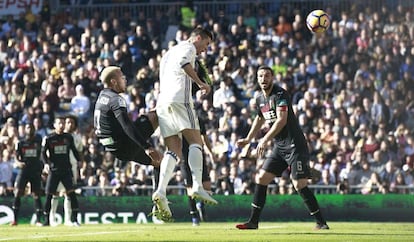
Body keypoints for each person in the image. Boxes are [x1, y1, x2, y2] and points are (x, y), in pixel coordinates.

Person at [235, 66, 329, 230]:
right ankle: (253, 222)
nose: (264, 79)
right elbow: (259, 119)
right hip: (280, 147)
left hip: (295, 145)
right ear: (257, 79)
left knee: (298, 184)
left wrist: (264, 139)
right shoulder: (259, 99)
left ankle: (321, 223)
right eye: (261, 76)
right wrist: (249, 139)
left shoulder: (280, 94)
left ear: (272, 78)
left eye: (267, 76)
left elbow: (281, 120)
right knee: (261, 178)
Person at [152, 26, 217, 222]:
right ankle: (197, 184)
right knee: (196, 141)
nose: (204, 50)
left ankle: (161, 190)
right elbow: (184, 65)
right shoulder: (188, 49)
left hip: (163, 102)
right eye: (205, 44)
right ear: (198, 38)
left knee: (174, 150)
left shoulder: (168, 52)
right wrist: (201, 83)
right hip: (180, 99)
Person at [93, 66, 161, 168]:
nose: (125, 80)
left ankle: (158, 181)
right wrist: (147, 147)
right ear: (114, 81)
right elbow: (126, 126)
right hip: (125, 145)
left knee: (158, 162)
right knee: (156, 114)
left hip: (114, 149)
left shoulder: (102, 96)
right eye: (122, 77)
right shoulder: (115, 99)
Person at [42, 116, 81, 226]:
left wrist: (80, 161)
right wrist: (46, 164)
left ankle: (75, 220)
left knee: (71, 194)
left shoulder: (68, 137)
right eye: (59, 123)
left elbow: (74, 150)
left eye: (63, 123)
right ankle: (47, 220)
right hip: (54, 170)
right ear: (54, 125)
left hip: (66, 170)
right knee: (49, 194)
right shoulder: (49, 138)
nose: (61, 125)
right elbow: (43, 153)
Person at [181, 117, 215, 226]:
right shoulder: (178, 119)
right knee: (190, 188)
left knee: (207, 186)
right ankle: (194, 216)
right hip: (184, 157)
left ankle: (200, 204)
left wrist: (210, 153)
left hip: (198, 154)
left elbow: (204, 137)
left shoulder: (199, 119)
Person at [11, 123, 44, 226]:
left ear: (35, 129)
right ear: (25, 130)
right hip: (24, 171)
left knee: (36, 194)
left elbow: (42, 154)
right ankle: (15, 220)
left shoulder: (38, 141)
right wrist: (18, 163)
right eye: (28, 127)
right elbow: (16, 157)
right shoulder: (20, 143)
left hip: (35, 171)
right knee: (17, 193)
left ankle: (39, 220)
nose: (30, 129)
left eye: (32, 127)